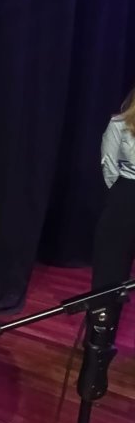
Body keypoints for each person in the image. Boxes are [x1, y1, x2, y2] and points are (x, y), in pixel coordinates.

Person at [91, 87, 135, 291]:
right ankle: (105, 309)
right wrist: (121, 196)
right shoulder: (119, 124)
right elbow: (108, 165)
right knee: (111, 267)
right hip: (126, 196)